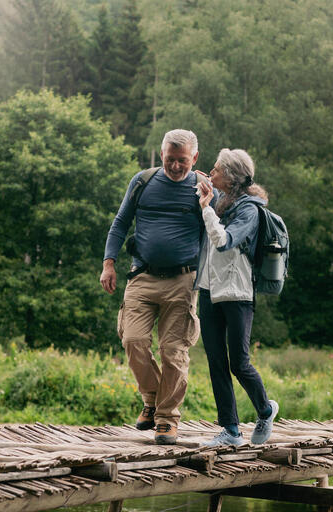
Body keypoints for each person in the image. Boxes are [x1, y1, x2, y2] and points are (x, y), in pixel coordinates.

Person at [100, 129, 212, 445]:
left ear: (195, 158)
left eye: (183, 160)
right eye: (170, 159)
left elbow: (214, 234)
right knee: (133, 340)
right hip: (142, 277)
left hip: (183, 281)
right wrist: (109, 263)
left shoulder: (202, 188)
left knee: (173, 351)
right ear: (161, 153)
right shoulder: (142, 182)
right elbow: (120, 223)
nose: (176, 166)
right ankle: (151, 399)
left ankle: (166, 419)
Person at [194, 148, 279, 446]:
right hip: (208, 290)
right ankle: (230, 430)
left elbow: (224, 242)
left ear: (230, 178)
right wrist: (201, 189)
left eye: (216, 170)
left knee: (239, 362)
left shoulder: (249, 210)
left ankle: (266, 410)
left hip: (237, 292)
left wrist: (205, 207)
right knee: (216, 361)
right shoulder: (219, 199)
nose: (211, 172)